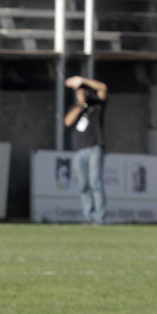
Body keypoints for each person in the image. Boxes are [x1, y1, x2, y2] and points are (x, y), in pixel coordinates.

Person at [64, 75, 108, 225]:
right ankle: (88, 217)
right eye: (79, 91)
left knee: (95, 182)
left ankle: (99, 218)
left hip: (95, 147)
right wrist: (80, 105)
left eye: (84, 91)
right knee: (83, 184)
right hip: (79, 150)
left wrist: (82, 81)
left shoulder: (97, 105)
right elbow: (68, 121)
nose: (82, 93)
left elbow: (102, 88)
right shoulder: (75, 108)